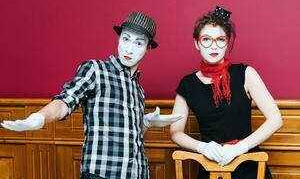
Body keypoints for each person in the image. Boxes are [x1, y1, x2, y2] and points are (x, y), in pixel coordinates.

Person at [1, 11, 183, 179]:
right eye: (126, 39)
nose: (129, 49)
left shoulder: (138, 89)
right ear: (119, 38)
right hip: (100, 174)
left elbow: (130, 137)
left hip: (138, 173)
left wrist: (146, 123)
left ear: (148, 48)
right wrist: (40, 117)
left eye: (139, 43)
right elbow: (65, 101)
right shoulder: (96, 70)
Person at [170, 6, 283, 179]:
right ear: (196, 43)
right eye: (206, 39)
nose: (213, 46)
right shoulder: (188, 84)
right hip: (210, 165)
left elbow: (276, 119)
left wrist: (240, 147)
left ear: (228, 42)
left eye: (220, 39)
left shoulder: (245, 73)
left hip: (249, 166)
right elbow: (175, 132)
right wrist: (203, 147)